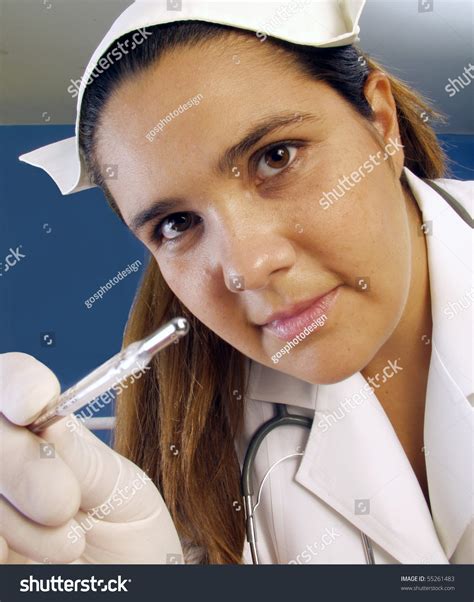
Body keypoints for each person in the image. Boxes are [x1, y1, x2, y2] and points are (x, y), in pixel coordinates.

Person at [2, 0, 472, 565]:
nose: (246, 267)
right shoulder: (181, 441)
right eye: (176, 224)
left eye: (276, 157)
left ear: (381, 124)